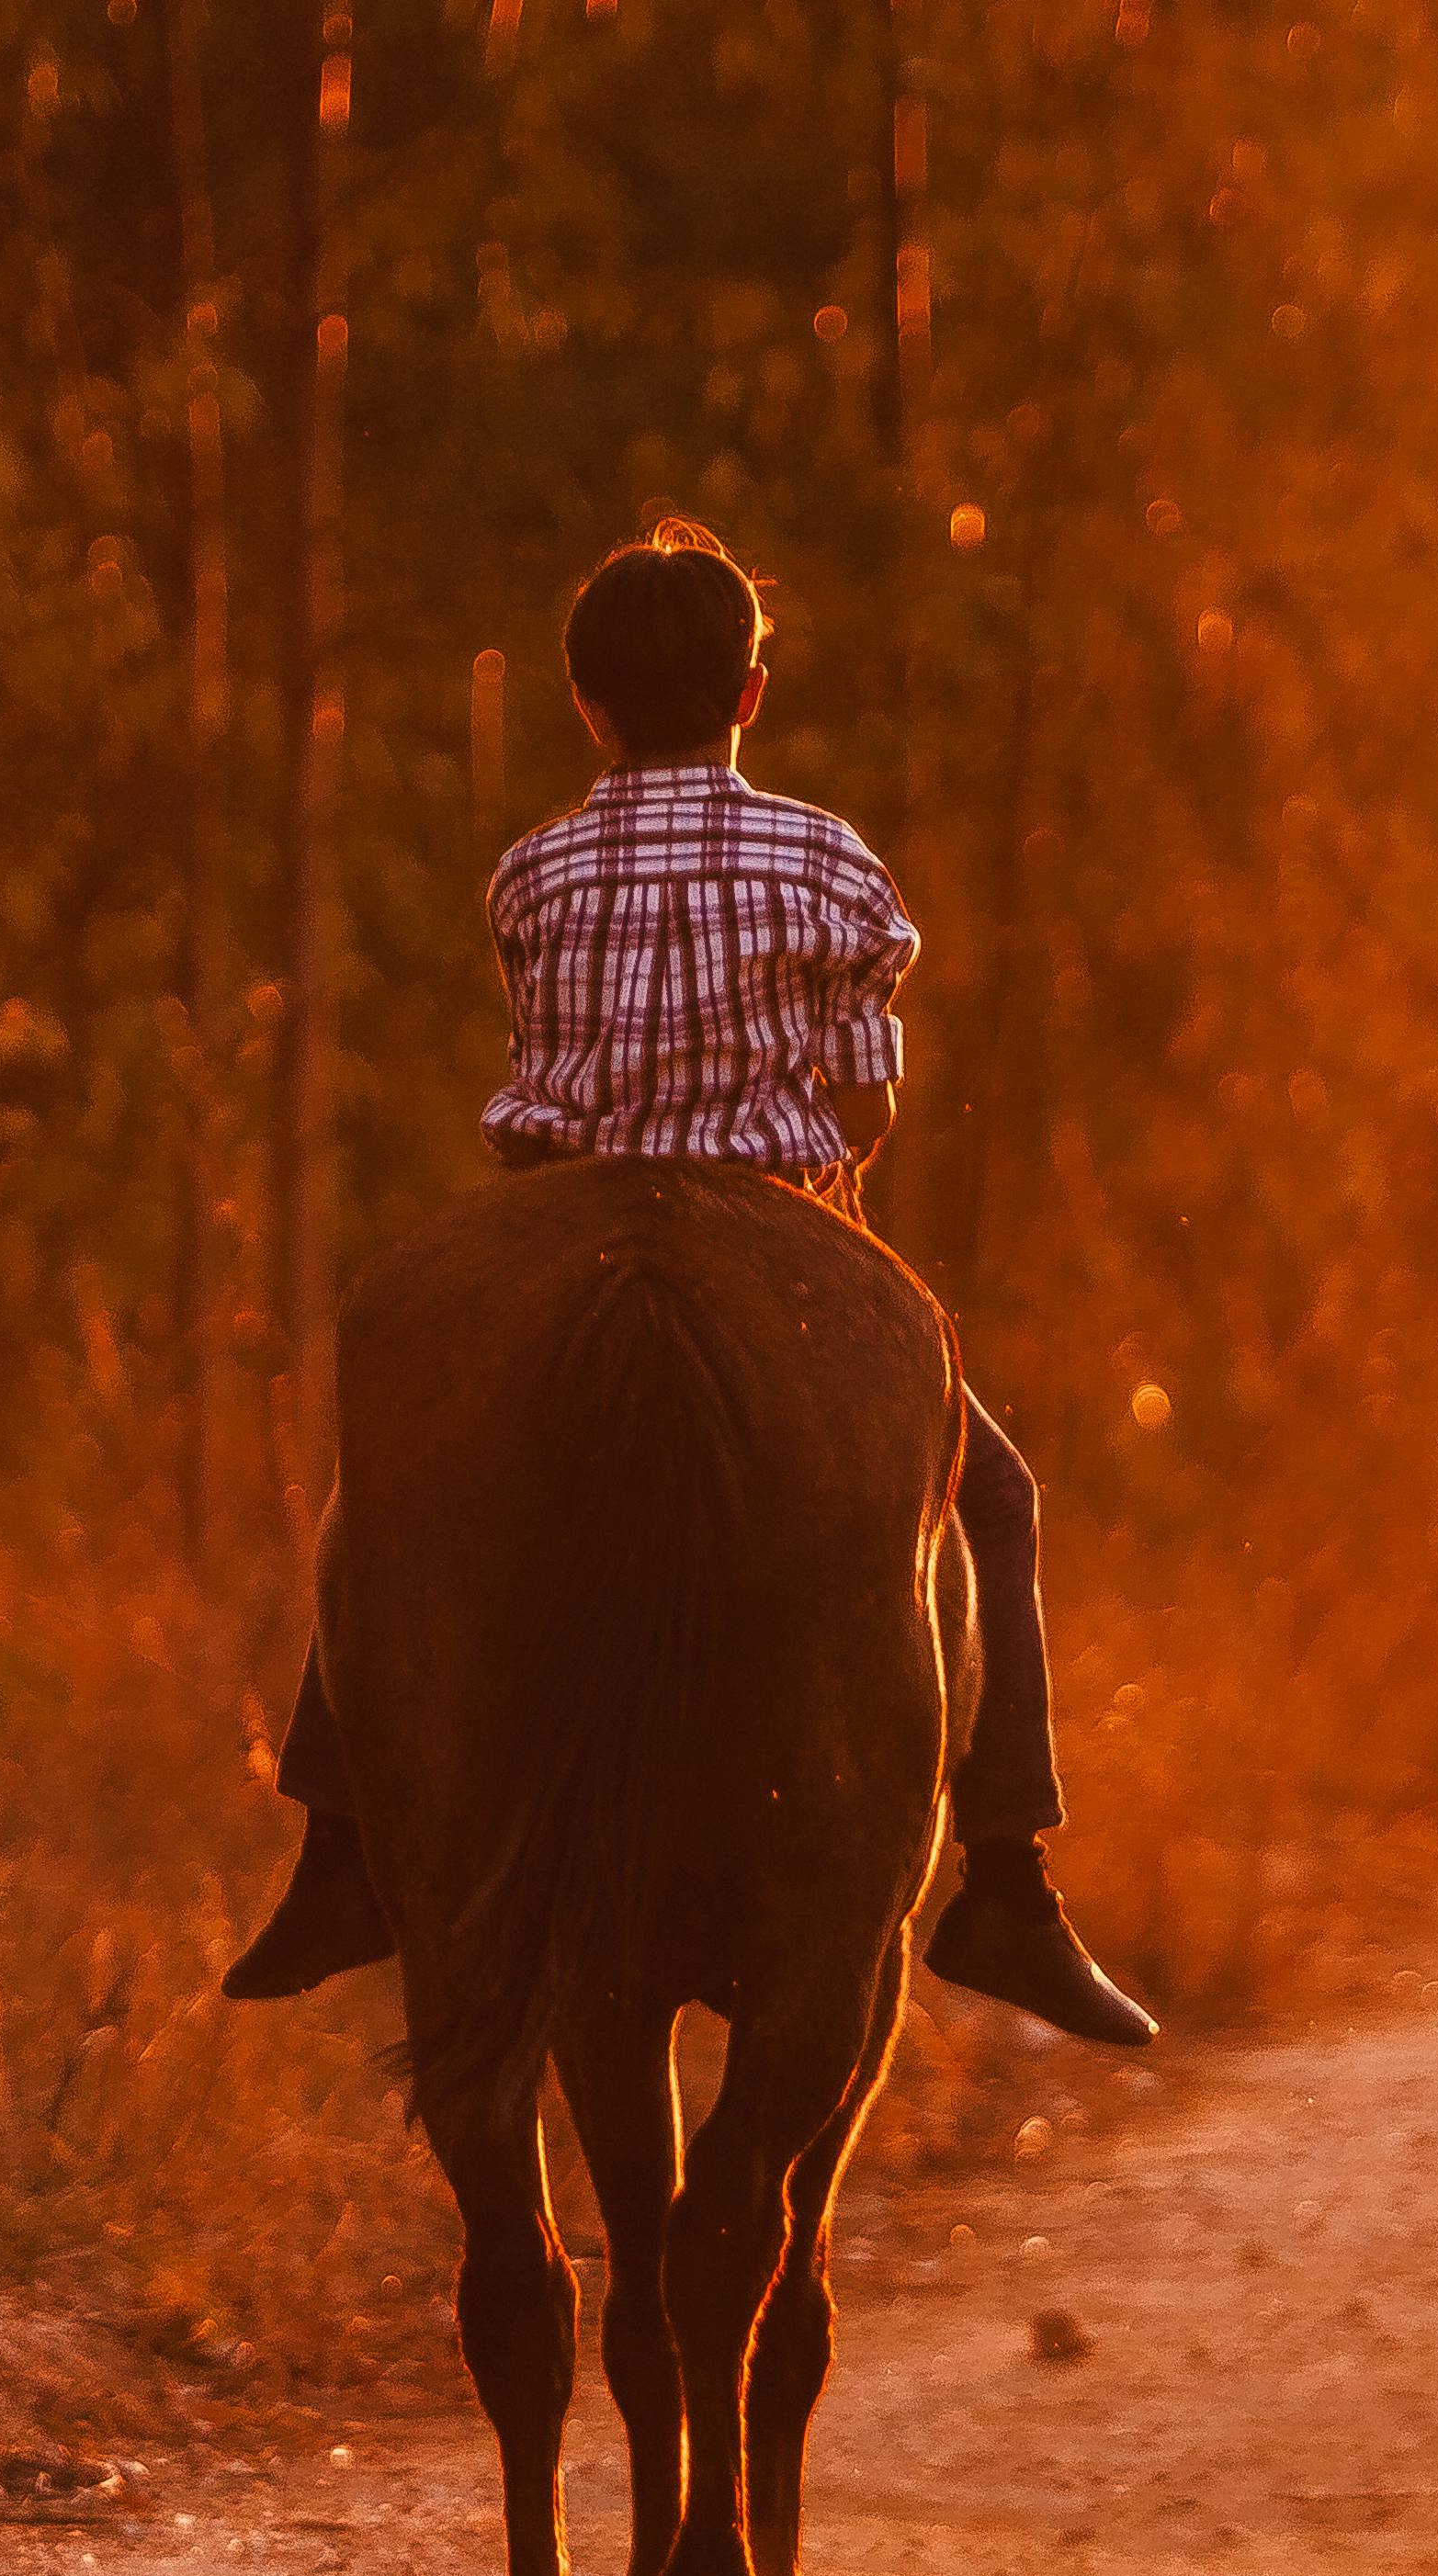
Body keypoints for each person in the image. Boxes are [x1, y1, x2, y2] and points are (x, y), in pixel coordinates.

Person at [221, 519, 1155, 2048]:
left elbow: (543, 1070)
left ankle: (340, 1850)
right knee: (996, 1495)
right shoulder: (832, 862)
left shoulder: (531, 872)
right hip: (774, 1218)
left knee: (376, 1498)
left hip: (567, 1223)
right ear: (751, 694)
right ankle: (1007, 1879)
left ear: (584, 706)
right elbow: (863, 1108)